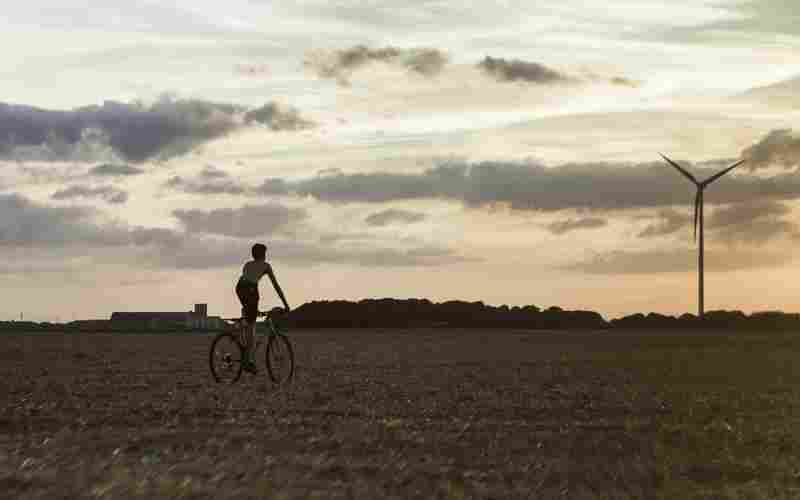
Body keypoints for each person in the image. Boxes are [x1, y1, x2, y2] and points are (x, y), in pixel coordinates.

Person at [236, 243, 290, 373]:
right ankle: (247, 361)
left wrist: (252, 308)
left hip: (240, 288)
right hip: (250, 290)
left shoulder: (247, 265)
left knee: (250, 317)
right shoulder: (266, 266)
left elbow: (246, 282)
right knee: (252, 328)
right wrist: (286, 304)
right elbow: (276, 286)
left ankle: (243, 342)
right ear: (263, 255)